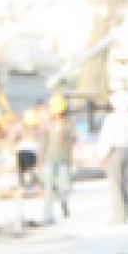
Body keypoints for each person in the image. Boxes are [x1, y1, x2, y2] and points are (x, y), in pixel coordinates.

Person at [98, 90, 128, 223]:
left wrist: (102, 155)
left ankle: (118, 214)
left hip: (115, 152)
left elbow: (107, 138)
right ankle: (127, 212)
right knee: (127, 183)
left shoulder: (112, 119)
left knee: (115, 183)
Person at [41, 93, 76, 224]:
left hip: (64, 159)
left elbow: (74, 138)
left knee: (63, 186)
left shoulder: (69, 123)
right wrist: (41, 159)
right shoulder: (48, 124)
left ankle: (63, 202)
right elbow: (44, 142)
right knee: (48, 187)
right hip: (50, 158)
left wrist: (65, 138)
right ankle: (47, 215)